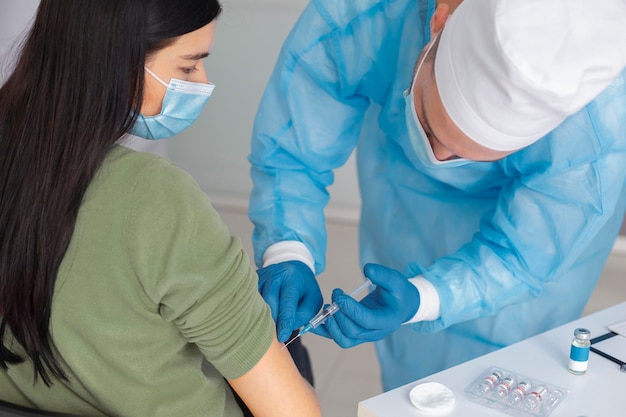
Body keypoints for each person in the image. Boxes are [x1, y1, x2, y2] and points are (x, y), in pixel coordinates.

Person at [249, 0, 626, 391]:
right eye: (429, 125)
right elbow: (292, 150)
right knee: (412, 379)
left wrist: (424, 299)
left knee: (508, 378)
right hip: (404, 195)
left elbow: (521, 258)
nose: (437, 160)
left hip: (534, 246)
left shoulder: (593, 135)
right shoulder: (366, 15)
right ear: (439, 19)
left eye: (468, 156)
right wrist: (287, 248)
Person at [0, 1, 321, 416]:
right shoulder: (156, 199)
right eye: (188, 68)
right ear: (119, 61)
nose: (203, 83)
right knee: (295, 359)